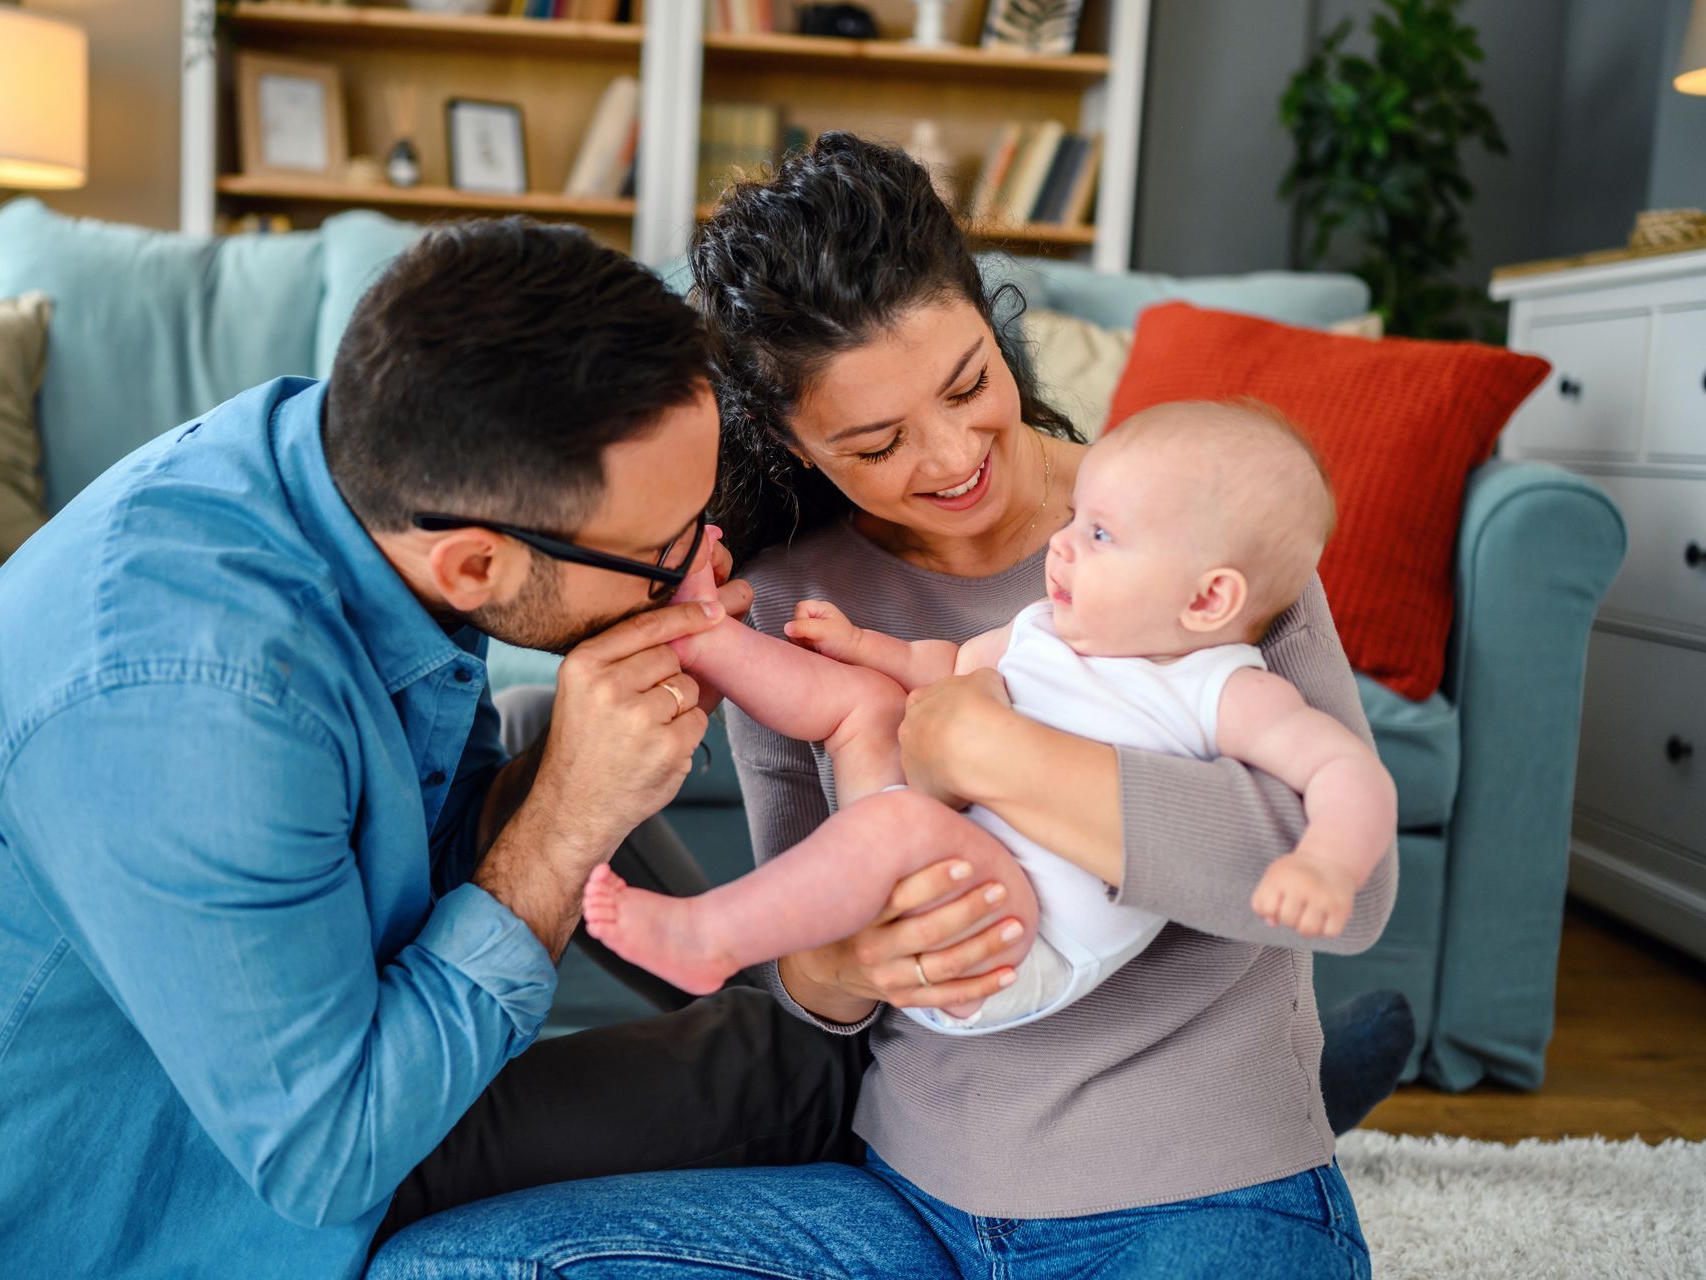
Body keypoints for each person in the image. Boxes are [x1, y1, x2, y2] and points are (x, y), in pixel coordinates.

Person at [372, 134, 1402, 1278]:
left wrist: (989, 748)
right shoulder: (797, 595)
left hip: (1191, 1191)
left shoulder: (1194, 536)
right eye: (877, 442)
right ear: (792, 444)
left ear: (989, 316)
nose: (957, 453)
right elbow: (810, 995)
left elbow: (1350, 888)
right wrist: (854, 959)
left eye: (969, 382)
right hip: (906, 1200)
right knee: (447, 1265)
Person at [0, 219, 789, 1279]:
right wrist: (562, 823)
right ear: (473, 563)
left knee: (546, 737)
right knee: (781, 1071)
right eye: (662, 551)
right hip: (104, 1217)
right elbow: (331, 1153)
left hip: (266, 1082)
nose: (705, 568)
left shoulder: (351, 465)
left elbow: (439, 838)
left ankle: (772, 986)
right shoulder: (189, 698)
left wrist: (572, 779)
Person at [581, 399, 1398, 1036]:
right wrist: (862, 644)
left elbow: (1342, 770)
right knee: (863, 703)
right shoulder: (1048, 625)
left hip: (1010, 943)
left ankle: (714, 938)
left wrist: (1326, 862)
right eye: (1076, 518)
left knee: (901, 825)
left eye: (1103, 534)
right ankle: (706, 636)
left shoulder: (1217, 686)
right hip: (939, 889)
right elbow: (945, 667)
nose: (1065, 544)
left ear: (1209, 597)